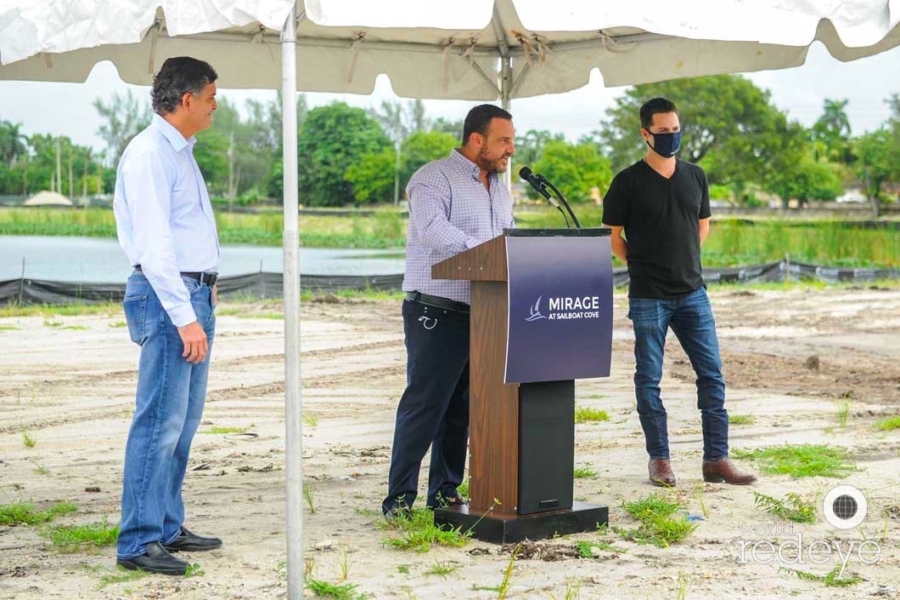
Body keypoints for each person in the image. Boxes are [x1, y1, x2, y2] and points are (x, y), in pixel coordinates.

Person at [601, 97, 756, 487]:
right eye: (663, 132)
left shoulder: (695, 176)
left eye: (675, 130)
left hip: (693, 293)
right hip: (648, 295)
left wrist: (682, 258)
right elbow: (612, 236)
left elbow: (701, 226)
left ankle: (716, 460)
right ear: (645, 133)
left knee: (712, 375)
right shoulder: (627, 182)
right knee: (649, 378)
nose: (671, 137)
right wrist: (638, 263)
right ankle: (660, 460)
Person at [113, 56, 224, 575]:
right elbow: (155, 246)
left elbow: (184, 233)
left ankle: (164, 524)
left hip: (190, 294)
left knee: (181, 424)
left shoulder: (179, 152)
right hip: (168, 298)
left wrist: (207, 289)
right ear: (186, 100)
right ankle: (137, 540)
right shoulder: (150, 154)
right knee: (159, 421)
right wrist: (184, 314)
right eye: (210, 98)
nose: (215, 106)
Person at [382, 104, 516, 517]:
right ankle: (399, 499)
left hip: (485, 313)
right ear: (477, 140)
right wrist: (489, 254)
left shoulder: (500, 187)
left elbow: (505, 238)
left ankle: (444, 491)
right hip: (437, 312)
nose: (510, 150)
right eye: (503, 141)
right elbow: (434, 232)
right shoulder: (432, 178)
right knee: (425, 406)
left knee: (461, 409)